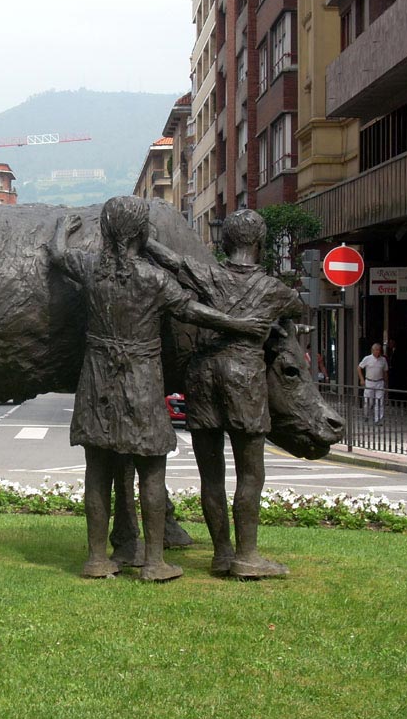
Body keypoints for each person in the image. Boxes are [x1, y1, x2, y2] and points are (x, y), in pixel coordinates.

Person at [50, 196, 268, 582]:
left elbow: (58, 254)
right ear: (141, 232)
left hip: (97, 379)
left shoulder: (91, 268)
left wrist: (62, 230)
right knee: (151, 470)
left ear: (106, 231)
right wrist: (239, 325)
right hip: (141, 380)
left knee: (97, 469)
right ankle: (154, 562)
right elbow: (192, 311)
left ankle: (97, 559)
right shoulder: (154, 279)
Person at [145, 208, 303, 578]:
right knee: (250, 473)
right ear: (260, 243)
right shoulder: (276, 291)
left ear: (224, 242)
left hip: (202, 375)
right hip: (244, 377)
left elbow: (170, 259)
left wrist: (142, 237)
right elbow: (298, 308)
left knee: (211, 475)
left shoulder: (208, 274)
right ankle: (247, 556)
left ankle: (222, 553)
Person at [358, 343, 388, 424]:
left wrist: (386, 382)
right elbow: (359, 368)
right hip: (369, 382)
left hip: (379, 382)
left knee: (379, 401)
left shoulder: (383, 360)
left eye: (379, 350)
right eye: (376, 350)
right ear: (372, 350)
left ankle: (378, 419)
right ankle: (366, 415)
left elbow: (385, 371)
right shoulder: (367, 358)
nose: (378, 352)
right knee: (368, 401)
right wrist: (362, 379)